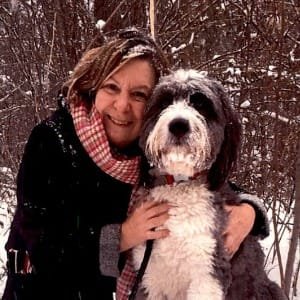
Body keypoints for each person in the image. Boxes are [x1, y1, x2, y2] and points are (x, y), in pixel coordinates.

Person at [3, 28, 269, 300]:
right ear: (93, 86)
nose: (122, 106)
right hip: (37, 287)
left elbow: (208, 177)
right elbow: (41, 248)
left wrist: (250, 210)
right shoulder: (52, 141)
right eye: (112, 87)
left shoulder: (146, 149)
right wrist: (122, 236)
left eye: (139, 95)